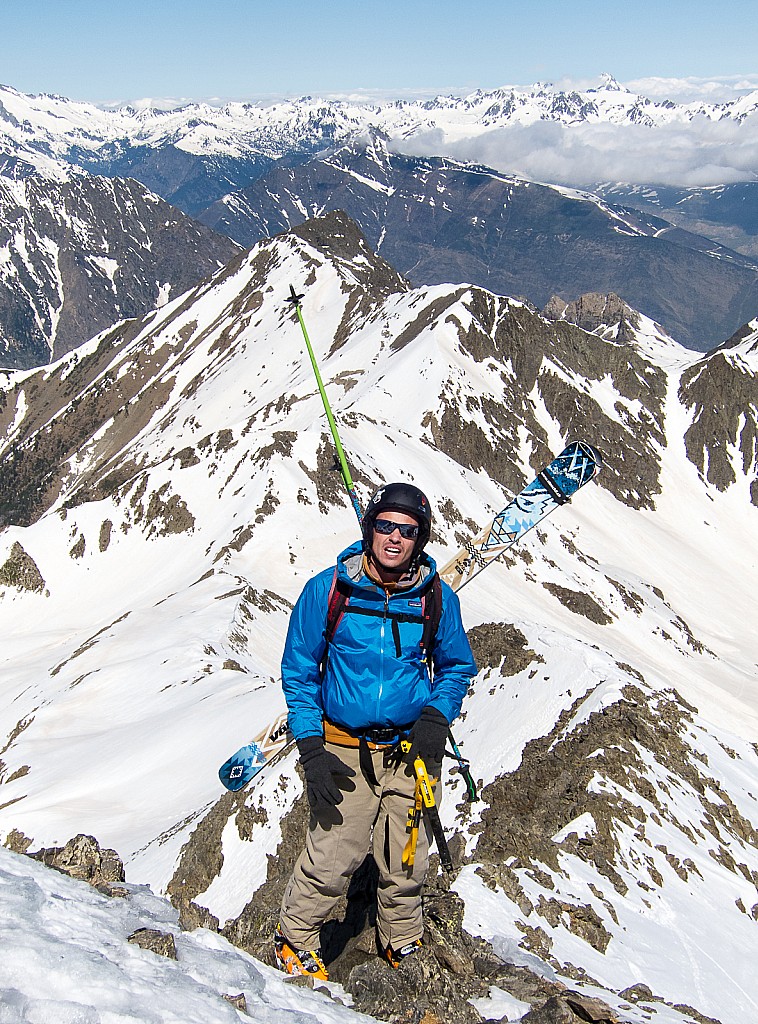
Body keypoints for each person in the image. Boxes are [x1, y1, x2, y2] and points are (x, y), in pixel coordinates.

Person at [275, 482, 476, 979]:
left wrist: (435, 718)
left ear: (421, 539)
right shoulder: (329, 590)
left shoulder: (435, 598)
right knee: (331, 855)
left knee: (406, 855)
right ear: (369, 530)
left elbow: (456, 666)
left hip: (411, 751)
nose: (394, 538)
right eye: (384, 526)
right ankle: (295, 938)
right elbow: (299, 670)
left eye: (407, 531)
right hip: (342, 748)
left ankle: (400, 938)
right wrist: (310, 747)